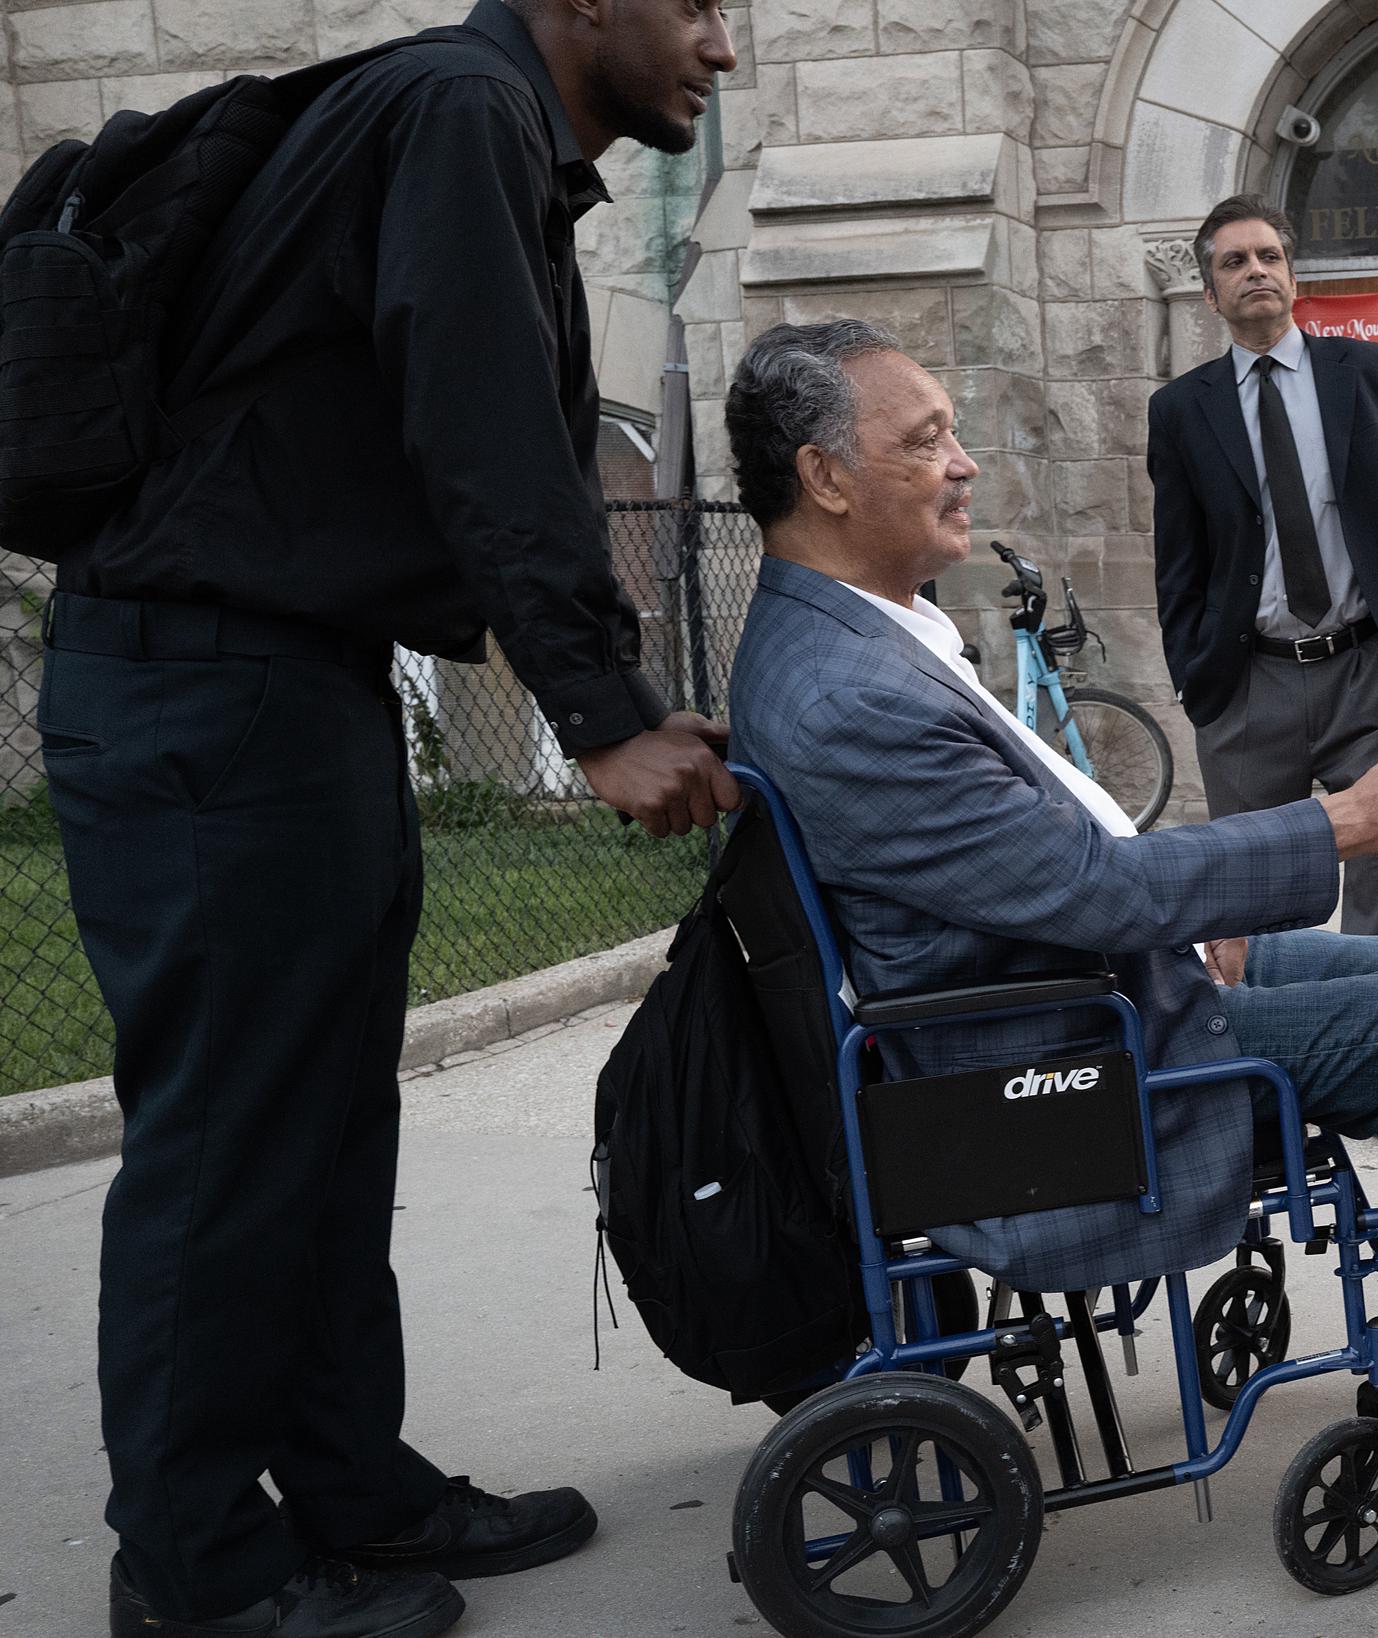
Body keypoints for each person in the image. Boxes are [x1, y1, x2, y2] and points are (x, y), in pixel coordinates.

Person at [722, 317, 1378, 1425]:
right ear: (825, 478)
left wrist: (1192, 912)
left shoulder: (856, 628)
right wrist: (1338, 825)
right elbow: (1088, 889)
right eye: (928, 440)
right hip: (1053, 1059)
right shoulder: (850, 695)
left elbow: (1045, 868)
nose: (964, 461)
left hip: (1082, 977)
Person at [40, 0, 744, 1633]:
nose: (720, 43)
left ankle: (354, 1486)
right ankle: (197, 1567)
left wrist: (623, 702)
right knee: (228, 1140)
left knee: (321, 1124)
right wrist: (603, 718)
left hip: (281, 678)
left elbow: (470, 435)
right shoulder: (458, 111)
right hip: (209, 685)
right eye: (699, 2)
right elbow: (482, 421)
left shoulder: (464, 120)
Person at [1147, 195, 1378, 953]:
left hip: (1367, 673)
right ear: (1210, 293)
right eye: (1234, 262)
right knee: (1250, 892)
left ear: (1292, 276)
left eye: (1269, 256)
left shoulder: (1376, 374)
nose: (1255, 271)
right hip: (1250, 685)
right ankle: (1275, 1047)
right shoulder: (1182, 410)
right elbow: (1178, 563)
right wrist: (1199, 678)